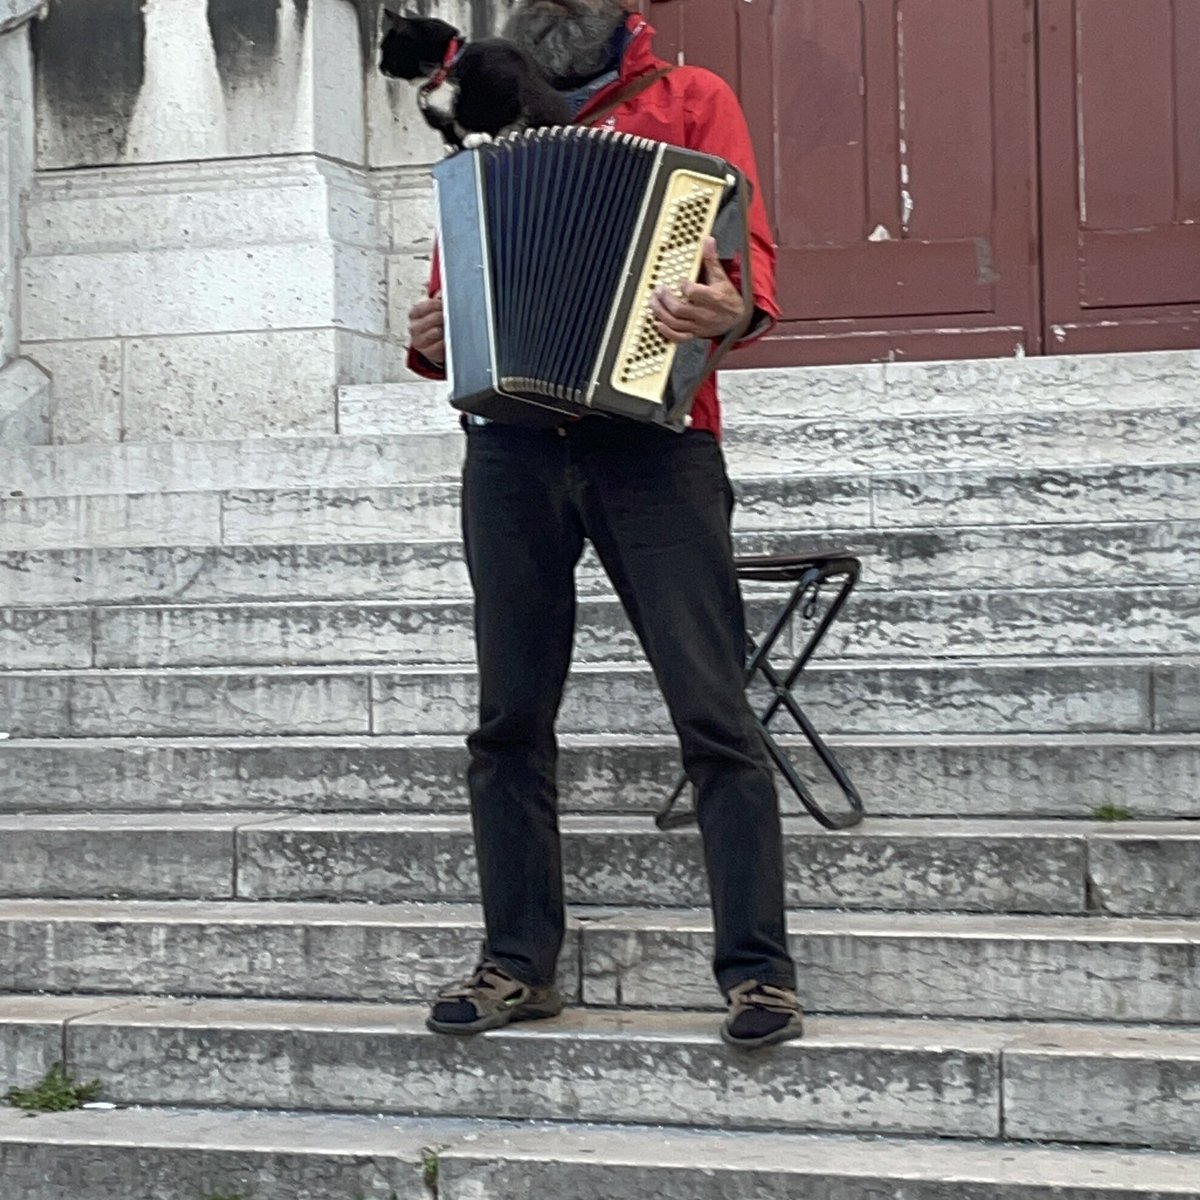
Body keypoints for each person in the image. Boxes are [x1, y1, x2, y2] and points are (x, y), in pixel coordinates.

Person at [406, 0, 802, 1050]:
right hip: (514, 443)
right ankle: (519, 964)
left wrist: (732, 307)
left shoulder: (693, 99)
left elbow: (744, 262)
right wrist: (437, 332)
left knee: (714, 710)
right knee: (508, 718)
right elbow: (462, 280)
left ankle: (758, 973)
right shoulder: (479, 110)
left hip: (655, 442)